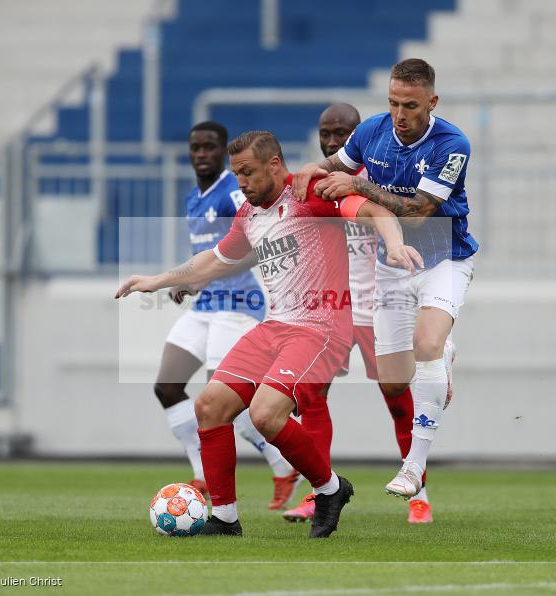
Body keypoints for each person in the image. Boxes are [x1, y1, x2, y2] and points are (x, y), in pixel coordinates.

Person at [116, 130, 423, 538]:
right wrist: (157, 280)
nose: (241, 183)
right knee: (209, 406)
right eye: (236, 174)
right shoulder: (249, 214)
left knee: (264, 414)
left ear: (274, 165)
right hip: (276, 326)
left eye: (247, 173)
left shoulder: (312, 191)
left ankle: (330, 489)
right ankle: (225, 518)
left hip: (321, 327)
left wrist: (395, 243)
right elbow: (216, 260)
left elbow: (374, 212)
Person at [293, 58, 477, 499]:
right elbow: (334, 162)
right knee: (395, 381)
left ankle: (414, 469)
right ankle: (442, 356)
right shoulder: (372, 130)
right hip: (391, 267)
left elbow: (417, 212)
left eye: (410, 105)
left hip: (444, 257)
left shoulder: (452, 144)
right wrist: (305, 171)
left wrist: (358, 187)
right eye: (393, 103)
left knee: (426, 345)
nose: (400, 114)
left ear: (431, 102)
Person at [150, 121, 300, 509]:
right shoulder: (192, 199)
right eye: (195, 147)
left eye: (209, 147)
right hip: (205, 306)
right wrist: (192, 280)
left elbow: (253, 246)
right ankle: (200, 470)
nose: (201, 154)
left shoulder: (233, 193)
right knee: (167, 386)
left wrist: (209, 273)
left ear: (222, 153)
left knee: (225, 401)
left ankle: (282, 462)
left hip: (236, 306)